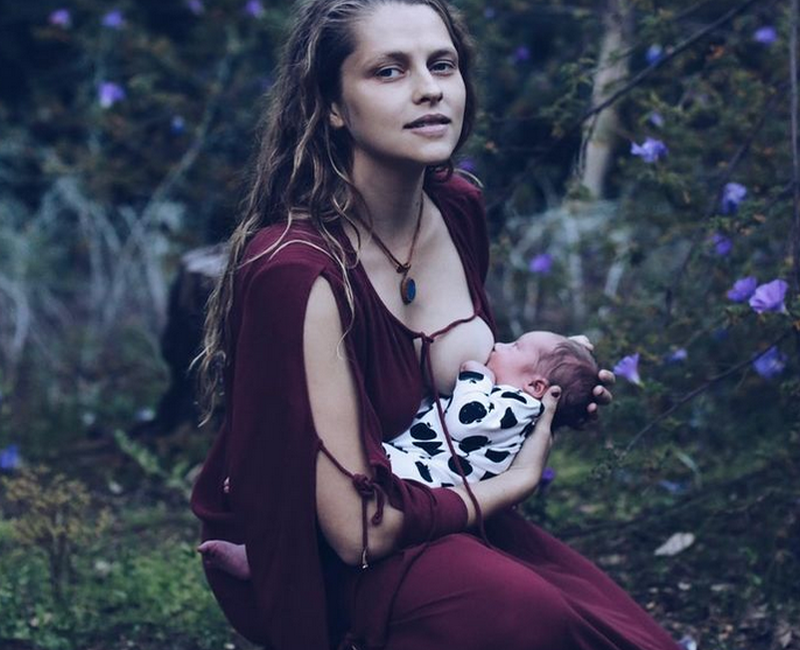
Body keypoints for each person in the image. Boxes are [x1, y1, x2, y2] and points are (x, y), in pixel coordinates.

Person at [190, 0, 681, 648]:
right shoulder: (297, 270)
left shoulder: (457, 206)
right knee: (525, 615)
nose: (429, 89)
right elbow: (356, 531)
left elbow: (464, 402)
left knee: (624, 638)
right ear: (332, 105)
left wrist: (540, 407)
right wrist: (514, 483)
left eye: (442, 65)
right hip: (328, 554)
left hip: (442, 515)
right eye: (389, 71)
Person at [196, 331, 598, 580]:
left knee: (330, 482)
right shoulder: (514, 400)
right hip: (413, 462)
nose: (500, 344)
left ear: (536, 386)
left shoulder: (517, 406)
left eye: (514, 346)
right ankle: (266, 529)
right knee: (327, 486)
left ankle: (263, 521)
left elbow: (464, 421)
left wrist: (475, 375)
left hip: (423, 479)